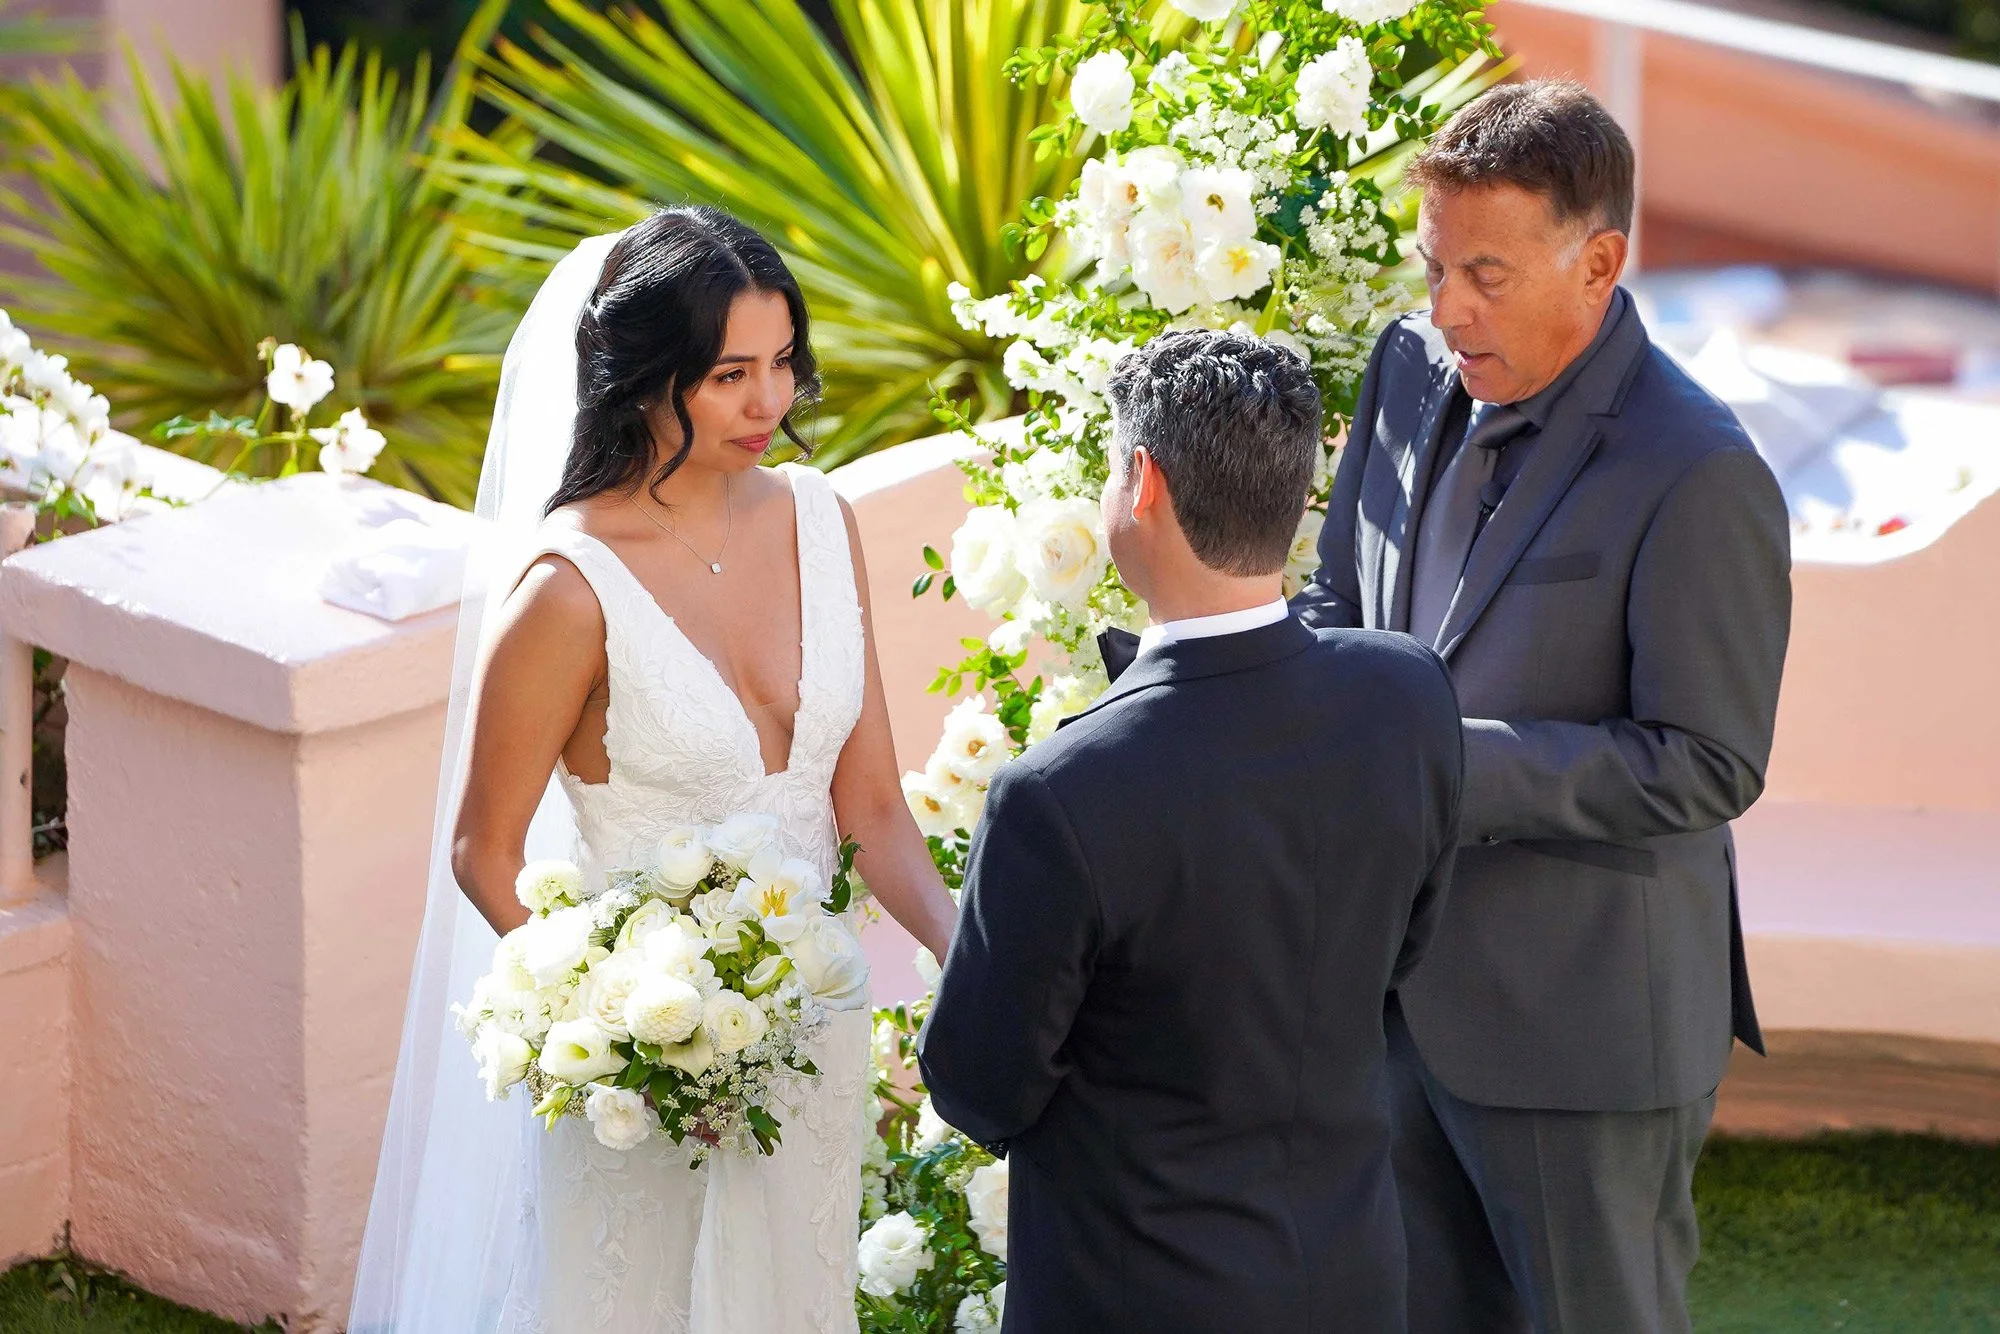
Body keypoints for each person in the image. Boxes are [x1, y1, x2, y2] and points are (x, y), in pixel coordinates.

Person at [349, 207, 957, 1333]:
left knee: (791, 1299)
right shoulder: (567, 588)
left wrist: (965, 944)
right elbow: (485, 849)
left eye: (782, 364)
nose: (769, 403)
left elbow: (868, 801)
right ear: (640, 375)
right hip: (644, 1070)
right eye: (729, 373)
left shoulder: (822, 517)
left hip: (807, 1035)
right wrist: (627, 1029)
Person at [1293, 81, 1792, 1333]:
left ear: (1599, 262)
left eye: (1485, 273)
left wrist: (1434, 764)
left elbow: (1705, 759)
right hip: (1387, 997)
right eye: (1431, 266)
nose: (1444, 306)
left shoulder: (1700, 469)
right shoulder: (1411, 368)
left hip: (1583, 1034)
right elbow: (1339, 594)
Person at [919, 329, 1464, 1333]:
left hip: (1134, 1290)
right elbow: (1400, 946)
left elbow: (976, 1083)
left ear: (1144, 483)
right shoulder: (1406, 693)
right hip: (1349, 1276)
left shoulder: (1062, 789)